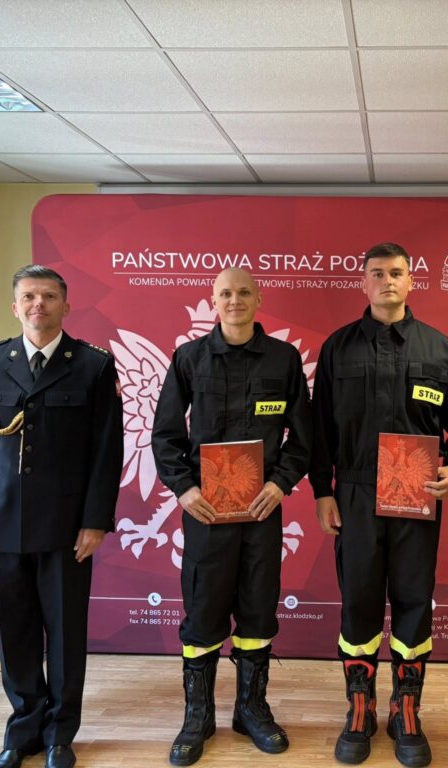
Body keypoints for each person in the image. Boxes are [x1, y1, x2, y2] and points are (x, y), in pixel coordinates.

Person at [0, 265, 124, 768]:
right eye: (28, 296)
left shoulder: (93, 365)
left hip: (66, 527)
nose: (38, 305)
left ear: (65, 306)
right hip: (0, 521)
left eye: (49, 296)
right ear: (15, 306)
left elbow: (106, 452)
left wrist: (96, 520)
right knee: (16, 633)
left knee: (65, 635)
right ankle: (23, 730)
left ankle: (59, 735)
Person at [311, 242, 448, 767]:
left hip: (416, 492)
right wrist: (322, 490)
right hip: (355, 492)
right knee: (358, 600)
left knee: (413, 599)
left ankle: (407, 711)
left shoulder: (440, 349)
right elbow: (318, 428)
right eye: (377, 273)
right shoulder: (337, 348)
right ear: (363, 283)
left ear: (411, 280)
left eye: (396, 272)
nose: (387, 281)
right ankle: (360, 710)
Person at [150, 268, 312, 765]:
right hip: (206, 513)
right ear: (213, 300)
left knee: (258, 609)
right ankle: (197, 716)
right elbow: (165, 434)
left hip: (261, 510)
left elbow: (304, 437)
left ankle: (251, 710)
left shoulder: (284, 360)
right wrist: (183, 489)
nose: (235, 300)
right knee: (203, 611)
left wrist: (279, 483)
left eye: (244, 292)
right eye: (226, 293)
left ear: (258, 299)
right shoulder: (189, 358)